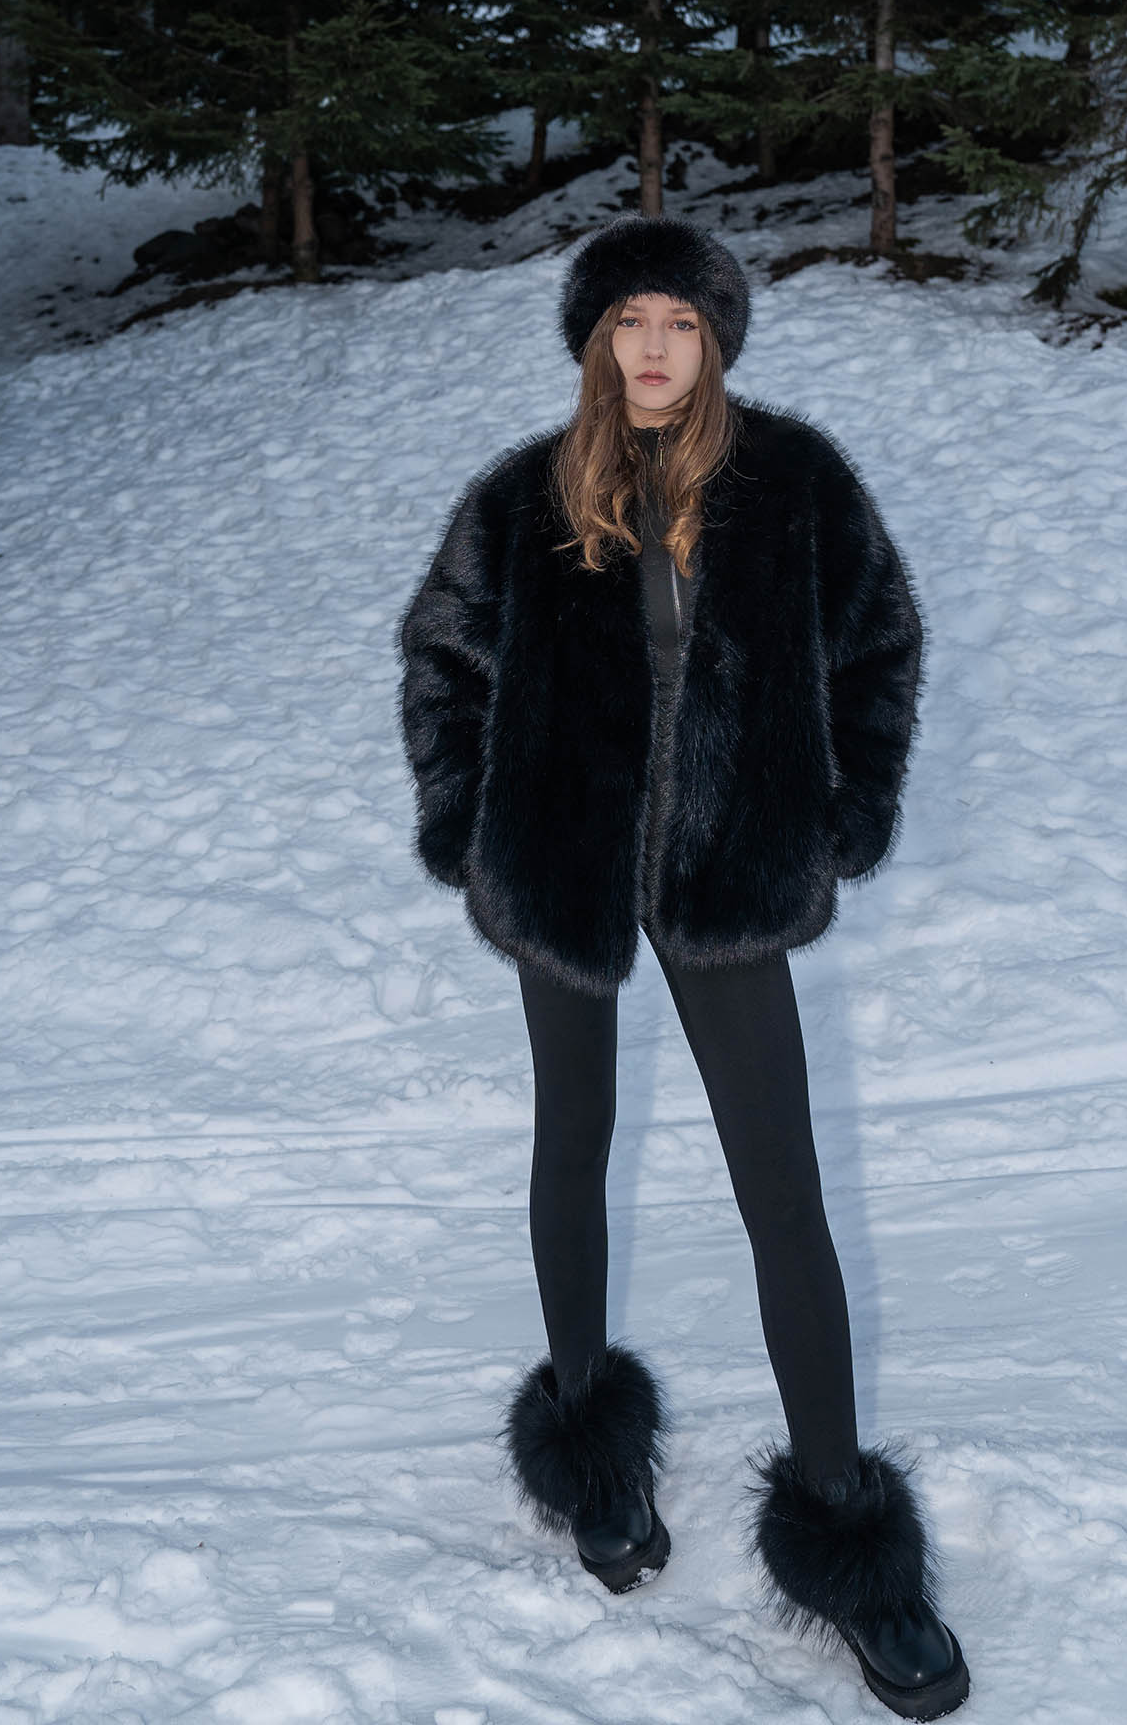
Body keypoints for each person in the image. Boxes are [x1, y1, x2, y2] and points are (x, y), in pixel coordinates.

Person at [397, 215, 969, 1719]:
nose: (654, 348)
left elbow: (881, 647)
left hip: (728, 880)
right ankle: (594, 1458)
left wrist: (843, 815)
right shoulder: (524, 497)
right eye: (630, 322)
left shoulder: (795, 482)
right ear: (596, 340)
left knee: (783, 1189)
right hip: (567, 870)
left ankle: (850, 1541)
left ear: (715, 341)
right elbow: (444, 659)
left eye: (682, 323)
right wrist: (468, 826)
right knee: (570, 1150)